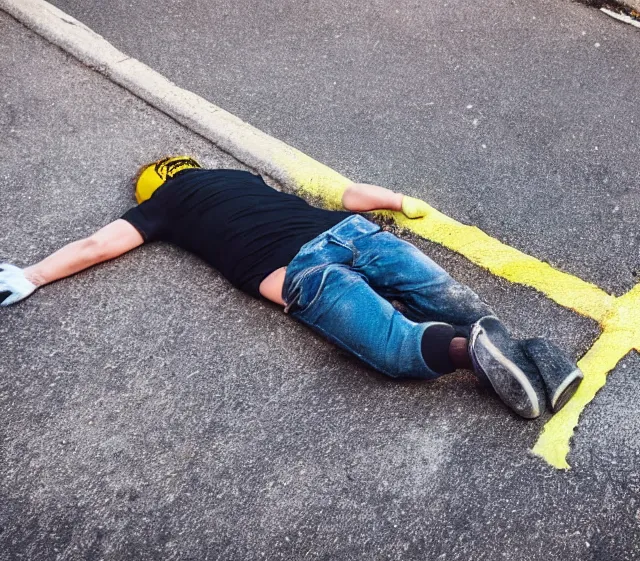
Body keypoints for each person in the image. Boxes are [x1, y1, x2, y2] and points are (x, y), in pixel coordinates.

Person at [0, 156, 582, 419]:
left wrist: (27, 276)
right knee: (458, 301)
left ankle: (468, 354)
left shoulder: (161, 208)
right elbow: (353, 195)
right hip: (353, 232)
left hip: (304, 274)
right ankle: (536, 357)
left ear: (153, 188)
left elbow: (96, 247)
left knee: (396, 347)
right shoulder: (239, 176)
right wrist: (403, 203)